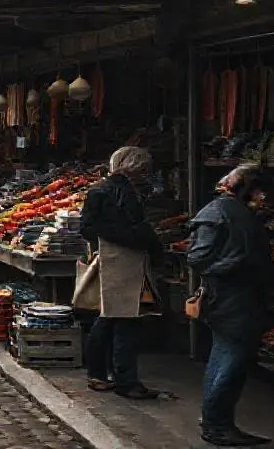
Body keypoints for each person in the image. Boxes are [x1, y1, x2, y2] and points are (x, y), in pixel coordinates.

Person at [188, 164, 274, 447]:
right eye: (259, 190)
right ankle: (217, 425)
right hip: (232, 298)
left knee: (224, 356)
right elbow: (198, 257)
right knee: (230, 361)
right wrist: (236, 265)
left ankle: (214, 420)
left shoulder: (228, 211)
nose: (262, 196)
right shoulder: (221, 213)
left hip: (233, 296)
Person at [79, 146, 164, 400]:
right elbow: (130, 226)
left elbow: (88, 228)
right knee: (126, 319)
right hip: (124, 259)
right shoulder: (121, 191)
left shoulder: (102, 188)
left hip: (113, 258)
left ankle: (98, 373)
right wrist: (150, 242)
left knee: (110, 317)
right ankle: (125, 380)